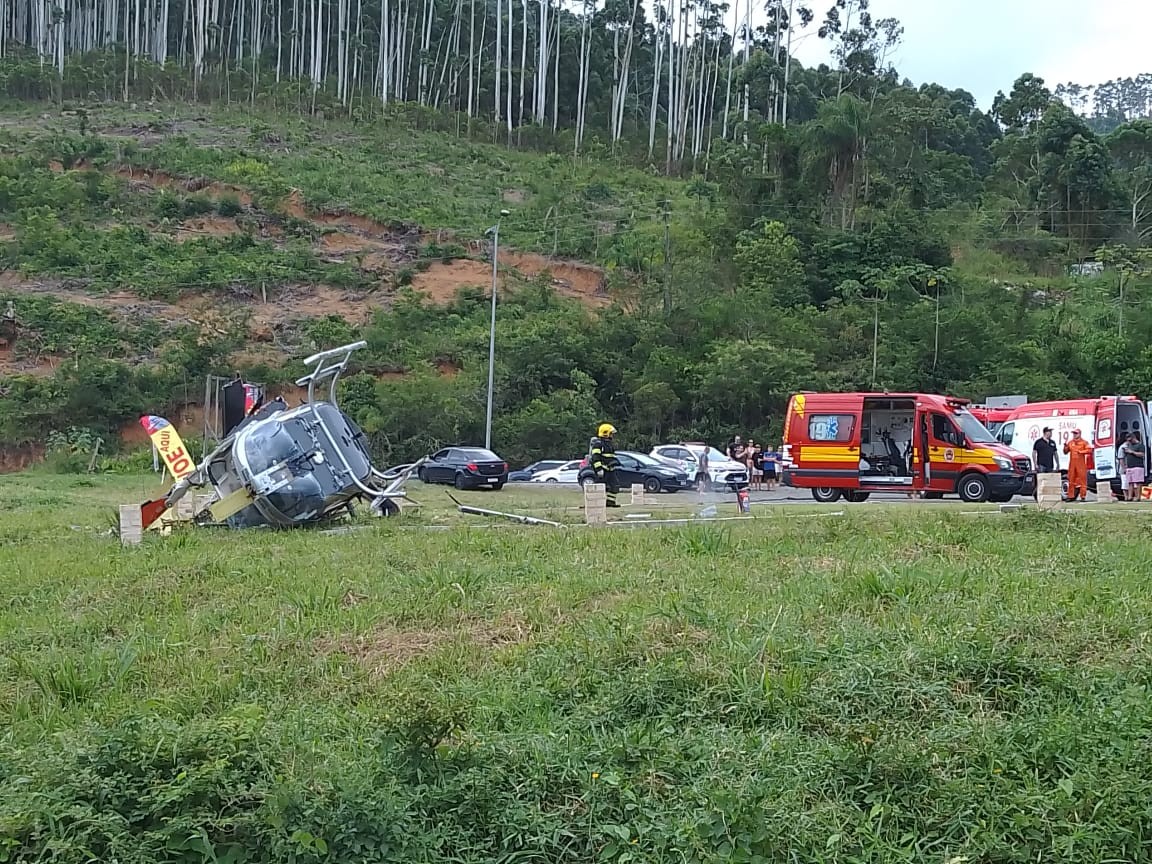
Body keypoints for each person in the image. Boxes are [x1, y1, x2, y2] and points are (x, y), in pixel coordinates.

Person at [589, 422, 621, 508]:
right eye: (611, 433)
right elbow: (595, 457)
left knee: (615, 485)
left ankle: (610, 502)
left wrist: (614, 462)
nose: (612, 436)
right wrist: (599, 469)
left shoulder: (610, 445)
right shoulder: (598, 444)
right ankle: (594, 503)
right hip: (603, 470)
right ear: (606, 433)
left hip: (610, 469)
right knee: (599, 487)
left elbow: (610, 457)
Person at [1063, 428, 1092, 502]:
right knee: (1071, 479)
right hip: (1072, 464)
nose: (1074, 435)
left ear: (1079, 434)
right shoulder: (1070, 442)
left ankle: (1083, 496)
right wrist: (1065, 446)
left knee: (1082, 480)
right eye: (1074, 433)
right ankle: (1070, 496)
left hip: (1081, 463)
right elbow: (1065, 452)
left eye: (1076, 433)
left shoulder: (1084, 442)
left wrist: (1081, 451)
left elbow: (1089, 450)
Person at [1121, 432, 1146, 502]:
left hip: (1138, 466)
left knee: (1138, 482)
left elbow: (1142, 454)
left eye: (1130, 440)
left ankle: (1138, 497)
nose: (1129, 442)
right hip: (1129, 467)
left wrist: (1132, 452)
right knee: (1130, 482)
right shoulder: (1129, 445)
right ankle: (1130, 497)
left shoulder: (1140, 445)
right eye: (1128, 440)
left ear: (1134, 438)